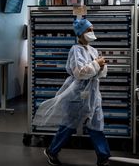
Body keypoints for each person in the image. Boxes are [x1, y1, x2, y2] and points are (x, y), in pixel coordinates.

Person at [33, 18, 111, 166]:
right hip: (78, 94)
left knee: (96, 125)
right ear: (80, 33)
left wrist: (101, 67)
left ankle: (103, 157)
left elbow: (99, 73)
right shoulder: (75, 50)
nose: (92, 32)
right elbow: (79, 73)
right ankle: (52, 151)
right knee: (69, 125)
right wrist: (96, 64)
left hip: (93, 94)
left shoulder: (93, 50)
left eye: (92, 29)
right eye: (89, 30)